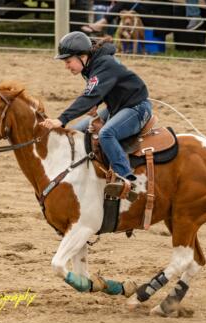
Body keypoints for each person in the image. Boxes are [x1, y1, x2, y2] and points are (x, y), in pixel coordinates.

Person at [40, 31, 152, 201]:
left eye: (68, 61)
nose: (66, 66)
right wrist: (96, 104)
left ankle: (127, 180)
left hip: (136, 108)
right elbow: (101, 90)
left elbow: (89, 95)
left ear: (82, 56)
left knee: (107, 133)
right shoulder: (91, 66)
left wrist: (61, 119)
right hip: (118, 107)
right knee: (77, 130)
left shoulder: (104, 64)